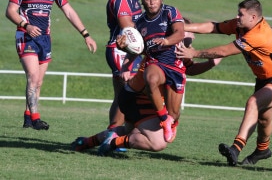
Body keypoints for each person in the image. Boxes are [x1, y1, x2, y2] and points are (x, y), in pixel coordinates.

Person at [176, 0, 272, 166]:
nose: (237, 16)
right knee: (264, 119)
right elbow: (213, 27)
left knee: (253, 102)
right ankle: (263, 150)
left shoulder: (259, 35)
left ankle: (235, 149)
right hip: (264, 78)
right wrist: (182, 27)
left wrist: (195, 52)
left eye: (241, 14)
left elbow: (224, 51)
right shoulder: (241, 25)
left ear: (253, 17)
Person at [71, 24, 221, 153]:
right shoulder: (164, 48)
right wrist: (125, 65)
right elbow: (138, 48)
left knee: (130, 132)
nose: (193, 37)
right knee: (157, 142)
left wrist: (210, 63)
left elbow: (191, 69)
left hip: (140, 98)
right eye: (190, 33)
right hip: (137, 98)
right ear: (179, 33)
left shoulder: (178, 51)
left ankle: (86, 142)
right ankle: (112, 143)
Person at [5, 0, 97, 130]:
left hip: (45, 39)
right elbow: (10, 11)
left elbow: (69, 11)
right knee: (32, 76)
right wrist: (26, 26)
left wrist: (86, 34)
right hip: (26, 37)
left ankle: (28, 118)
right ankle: (37, 118)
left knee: (38, 81)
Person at [124, 0, 186, 143]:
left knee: (175, 114)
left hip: (174, 66)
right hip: (155, 62)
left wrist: (165, 41)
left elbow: (180, 33)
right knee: (150, 78)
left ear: (161, 0)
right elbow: (136, 49)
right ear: (142, 1)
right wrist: (126, 65)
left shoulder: (170, 12)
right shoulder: (139, 23)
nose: (152, 2)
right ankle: (163, 119)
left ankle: (171, 120)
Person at [105, 0, 143, 130]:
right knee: (126, 95)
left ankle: (113, 135)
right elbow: (128, 27)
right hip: (119, 51)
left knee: (121, 96)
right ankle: (114, 136)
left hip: (132, 51)